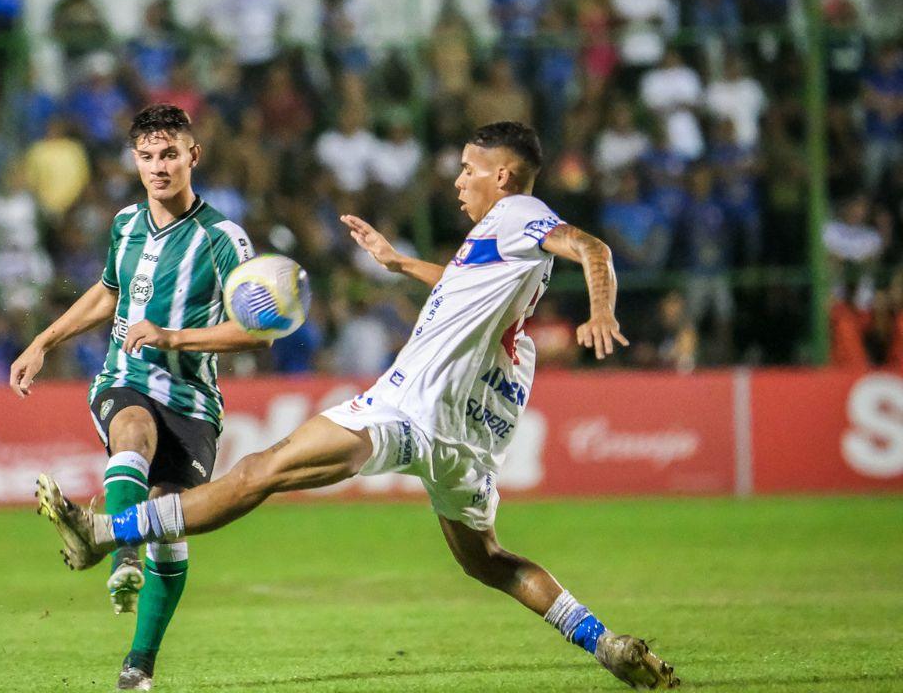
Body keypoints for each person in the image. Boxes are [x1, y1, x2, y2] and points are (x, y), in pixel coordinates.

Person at [36, 121, 680, 690]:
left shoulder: (517, 213)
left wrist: (601, 310)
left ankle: (105, 532)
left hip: (411, 409)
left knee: (262, 471)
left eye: (467, 168)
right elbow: (467, 284)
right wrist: (401, 263)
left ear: (503, 176)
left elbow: (593, 249)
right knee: (489, 561)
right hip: (475, 436)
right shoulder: (502, 244)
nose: (458, 180)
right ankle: (605, 643)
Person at [9, 104, 263, 691]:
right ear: (134, 161)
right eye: (147, 156)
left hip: (193, 399)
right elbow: (107, 293)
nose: (158, 166)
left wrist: (176, 336)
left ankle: (138, 666)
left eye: (169, 153)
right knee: (131, 431)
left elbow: (256, 329)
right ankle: (122, 552)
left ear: (192, 156)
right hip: (126, 376)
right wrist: (44, 340)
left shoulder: (225, 238)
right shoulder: (124, 223)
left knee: (169, 529)